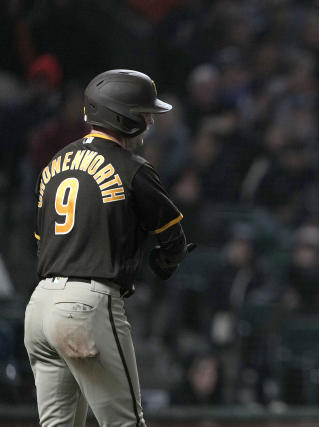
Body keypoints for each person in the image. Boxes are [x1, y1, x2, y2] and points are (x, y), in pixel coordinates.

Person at [24, 69, 194, 426]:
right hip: (86, 306)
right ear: (123, 116)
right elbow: (173, 239)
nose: (149, 120)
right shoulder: (132, 167)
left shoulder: (54, 165)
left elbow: (41, 243)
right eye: (144, 113)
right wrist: (165, 260)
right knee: (125, 423)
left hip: (40, 307)